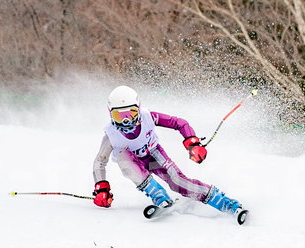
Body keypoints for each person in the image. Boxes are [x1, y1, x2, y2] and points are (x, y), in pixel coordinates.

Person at [91, 85, 242, 214]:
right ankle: (159, 196)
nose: (126, 121)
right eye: (119, 116)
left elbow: (179, 123)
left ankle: (224, 202)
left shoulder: (148, 117)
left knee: (177, 182)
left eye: (131, 114)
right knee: (123, 156)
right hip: (132, 165)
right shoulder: (111, 134)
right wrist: (102, 188)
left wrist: (192, 143)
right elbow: (99, 162)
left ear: (138, 108)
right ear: (110, 114)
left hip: (153, 157)